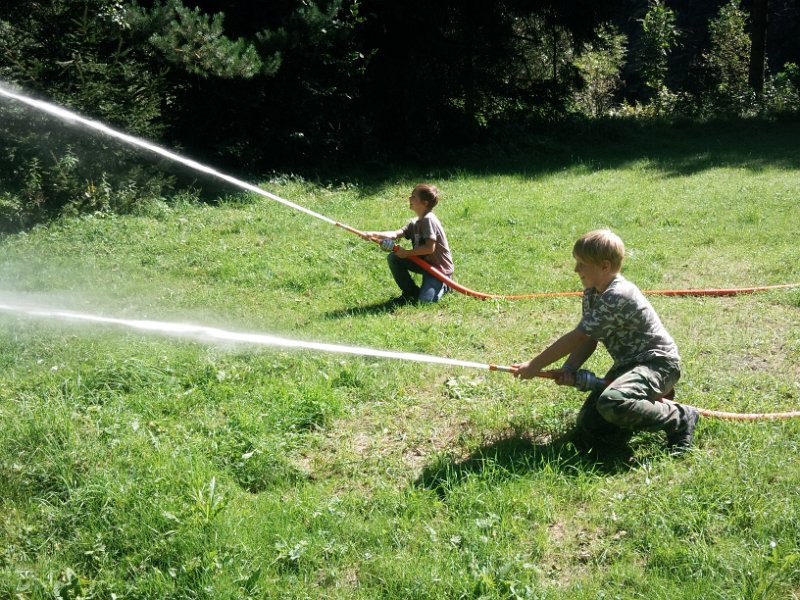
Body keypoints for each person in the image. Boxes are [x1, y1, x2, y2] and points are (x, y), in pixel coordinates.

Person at [512, 229, 699, 455]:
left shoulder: (618, 294)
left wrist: (535, 364)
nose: (576, 269)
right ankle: (639, 413)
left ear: (605, 266)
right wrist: (569, 369)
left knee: (612, 402)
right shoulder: (592, 293)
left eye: (582, 264)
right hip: (627, 367)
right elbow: (589, 339)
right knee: (589, 426)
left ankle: (679, 418)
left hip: (658, 365)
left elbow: (578, 336)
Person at [361, 183, 454, 304]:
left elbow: (429, 248)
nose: (409, 198)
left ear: (424, 203)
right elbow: (395, 234)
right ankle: (410, 292)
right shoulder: (414, 223)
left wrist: (407, 253)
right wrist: (372, 234)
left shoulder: (429, 219)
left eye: (414, 197)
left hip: (439, 270)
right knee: (394, 258)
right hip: (424, 264)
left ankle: (445, 285)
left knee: (425, 302)